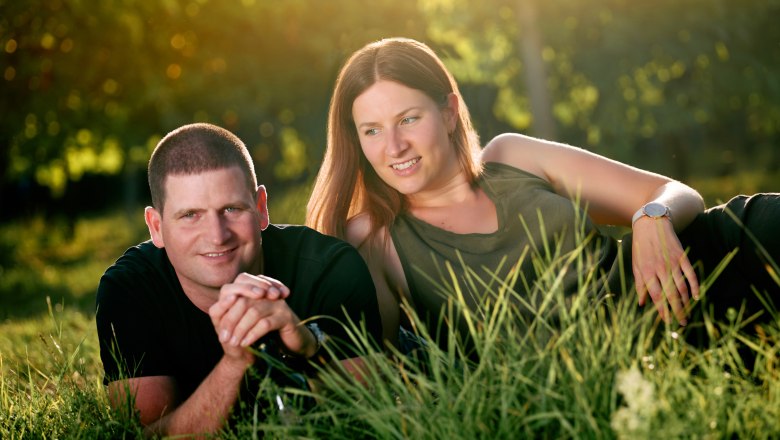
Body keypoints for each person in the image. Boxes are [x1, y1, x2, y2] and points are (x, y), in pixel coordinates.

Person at [305, 37, 780, 353]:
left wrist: (652, 216)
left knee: (757, 222)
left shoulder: (513, 156)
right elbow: (371, 368)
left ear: (449, 112)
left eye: (409, 119)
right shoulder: (373, 238)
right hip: (610, 365)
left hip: (675, 286)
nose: (394, 147)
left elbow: (673, 192)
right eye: (372, 130)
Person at [96, 123, 382, 437]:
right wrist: (236, 362)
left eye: (232, 209)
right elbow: (144, 434)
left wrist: (305, 346)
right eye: (191, 215)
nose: (217, 236)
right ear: (156, 226)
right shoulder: (130, 290)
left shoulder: (330, 267)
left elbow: (370, 412)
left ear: (261, 208)